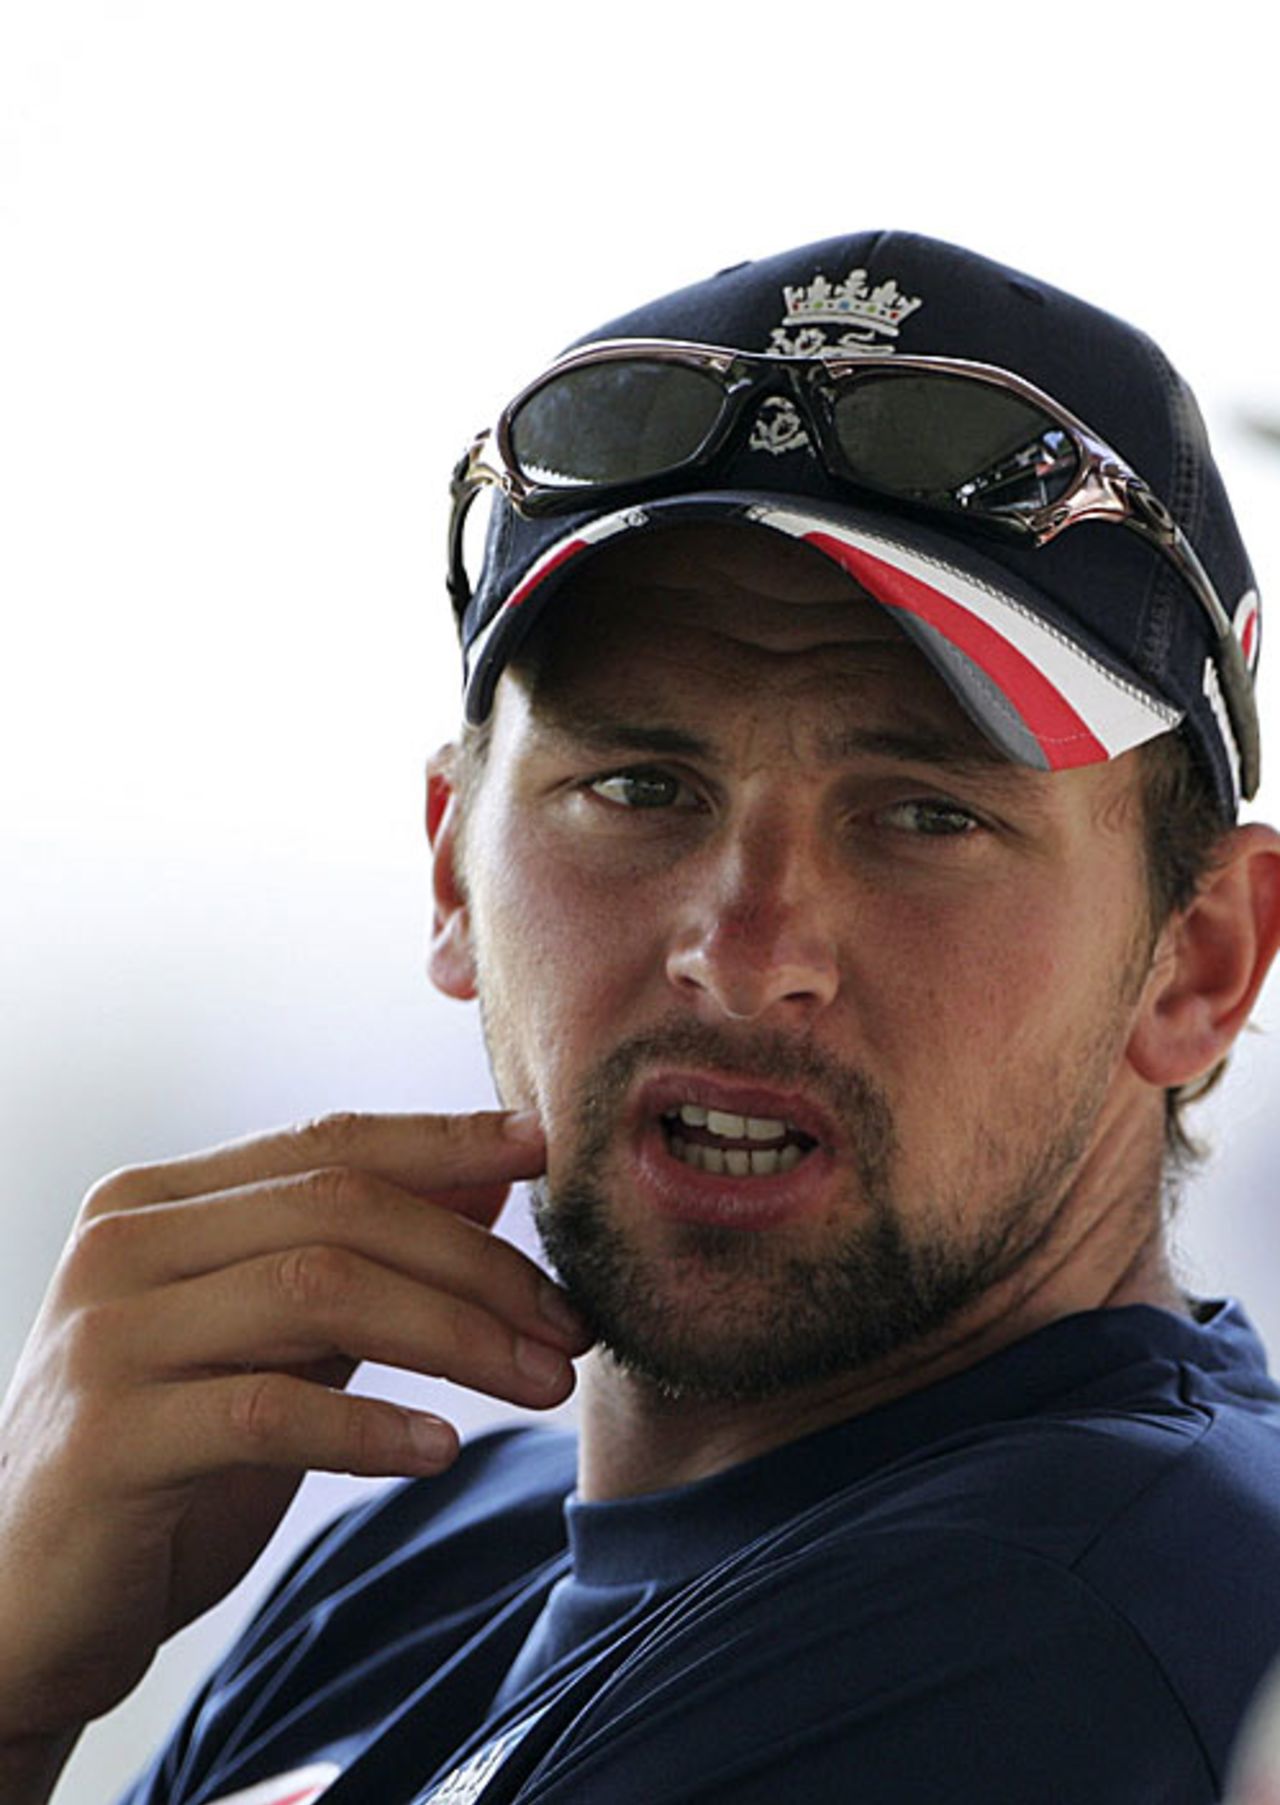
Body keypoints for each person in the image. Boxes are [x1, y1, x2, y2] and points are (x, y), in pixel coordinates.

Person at [3, 229, 1280, 1805]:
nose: (743, 953)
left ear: (1201, 959)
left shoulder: (1050, 1614)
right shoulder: (420, 1557)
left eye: (922, 816)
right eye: (637, 786)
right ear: (454, 872)